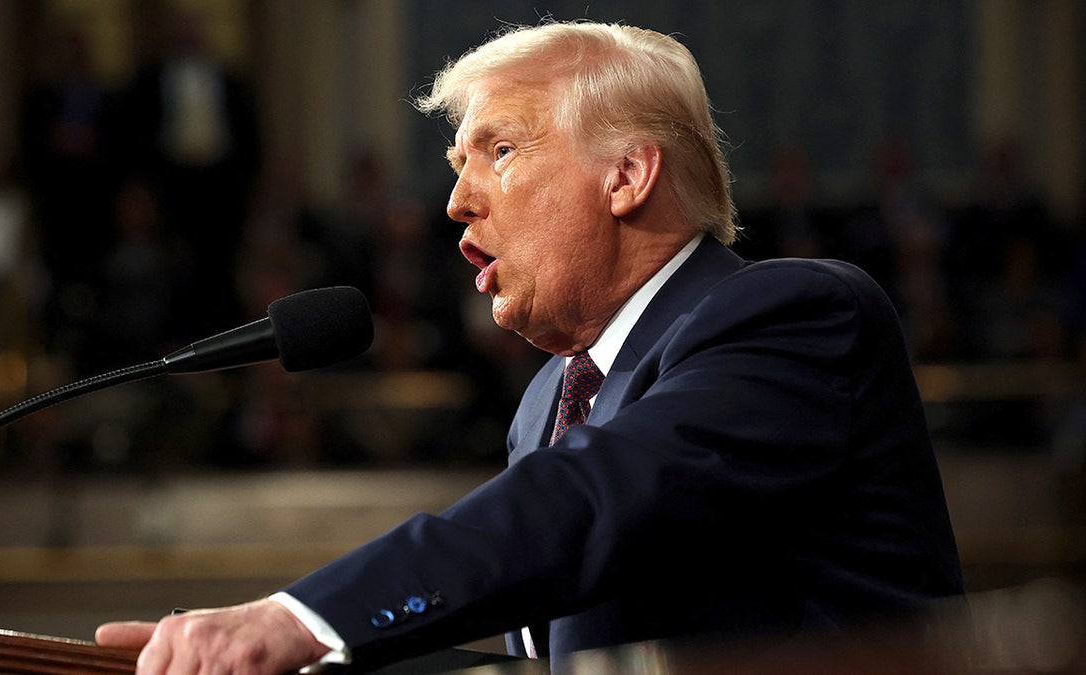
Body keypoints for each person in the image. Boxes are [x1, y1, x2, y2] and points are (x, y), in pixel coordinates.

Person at [96, 20, 965, 673]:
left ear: (628, 174)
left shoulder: (798, 316)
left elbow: (590, 498)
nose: (457, 203)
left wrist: (301, 619)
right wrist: (326, 660)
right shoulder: (546, 402)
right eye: (455, 166)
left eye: (499, 151)